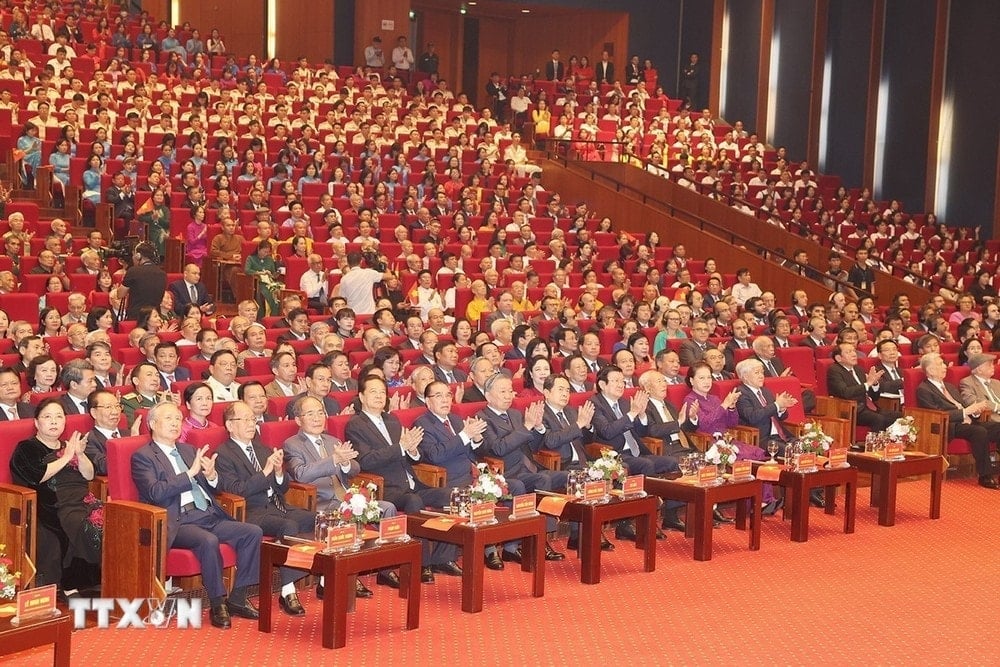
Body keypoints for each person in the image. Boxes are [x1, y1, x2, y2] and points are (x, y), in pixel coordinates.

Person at [132, 401, 263, 628]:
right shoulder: (143, 456)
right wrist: (189, 475)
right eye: (169, 419)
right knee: (208, 541)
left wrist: (211, 476)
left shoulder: (188, 450)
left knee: (252, 532)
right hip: (178, 520)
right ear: (152, 424)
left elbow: (212, 488)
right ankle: (217, 602)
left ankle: (238, 598)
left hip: (208, 513)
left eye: (178, 419)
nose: (175, 423)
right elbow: (155, 492)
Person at [345, 376, 463, 577]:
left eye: (382, 392)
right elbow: (366, 461)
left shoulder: (393, 420)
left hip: (412, 482)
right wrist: (401, 447)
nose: (379, 396)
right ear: (362, 396)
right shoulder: (356, 425)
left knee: (452, 495)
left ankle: (443, 557)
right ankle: (422, 563)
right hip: (386, 488)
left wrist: (412, 450)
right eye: (373, 392)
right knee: (413, 500)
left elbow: (411, 457)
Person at [215, 400, 315, 616]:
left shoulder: (262, 448)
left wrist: (279, 472)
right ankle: (288, 591)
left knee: (314, 519)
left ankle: (322, 578)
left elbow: (283, 486)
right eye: (245, 420)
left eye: (253, 419)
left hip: (276, 505)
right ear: (230, 425)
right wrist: (266, 470)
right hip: (250, 511)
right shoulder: (223, 454)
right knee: (288, 525)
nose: (252, 423)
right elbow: (236, 490)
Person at [10, 398, 103, 591]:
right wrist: (68, 456)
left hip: (83, 500)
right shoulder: (26, 448)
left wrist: (80, 454)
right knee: (84, 525)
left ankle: (99, 579)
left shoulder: (69, 445)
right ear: (36, 423)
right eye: (47, 417)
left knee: (112, 521)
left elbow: (90, 474)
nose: (54, 421)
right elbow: (38, 476)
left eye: (59, 417)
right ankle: (75, 584)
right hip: (48, 504)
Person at [589, 366, 685, 532]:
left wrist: (641, 416)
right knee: (645, 465)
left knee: (671, 463)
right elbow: (606, 432)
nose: (621, 384)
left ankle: (670, 515)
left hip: (636, 451)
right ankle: (633, 522)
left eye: (622, 381)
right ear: (602, 385)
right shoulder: (595, 404)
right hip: (614, 455)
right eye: (616, 381)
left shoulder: (625, 403)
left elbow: (640, 433)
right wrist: (632, 414)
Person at [681, 362, 780, 514]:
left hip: (726, 439)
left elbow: (731, 423)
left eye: (709, 377)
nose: (707, 381)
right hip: (709, 442)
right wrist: (724, 405)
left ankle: (764, 500)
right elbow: (705, 424)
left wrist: (732, 407)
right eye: (702, 378)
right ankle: (753, 503)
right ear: (692, 381)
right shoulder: (690, 400)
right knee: (744, 457)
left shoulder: (714, 398)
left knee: (758, 453)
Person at [916, 352, 1000, 489]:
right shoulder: (924, 389)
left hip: (967, 421)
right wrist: (964, 413)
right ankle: (985, 475)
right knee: (979, 431)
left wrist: (976, 412)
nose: (944, 366)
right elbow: (936, 414)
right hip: (950, 425)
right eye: (940, 364)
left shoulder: (949, 386)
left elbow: (966, 407)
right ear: (930, 370)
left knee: (997, 427)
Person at [826, 342, 901, 431]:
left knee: (899, 416)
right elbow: (845, 392)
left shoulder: (858, 369)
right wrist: (867, 384)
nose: (854, 354)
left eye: (854, 351)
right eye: (849, 352)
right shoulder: (834, 370)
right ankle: (873, 444)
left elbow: (874, 397)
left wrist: (875, 384)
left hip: (868, 407)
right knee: (878, 419)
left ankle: (889, 443)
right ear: (838, 358)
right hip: (850, 409)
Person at [120, 242, 167, 320]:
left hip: (137, 317)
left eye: (133, 254)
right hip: (154, 317)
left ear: (138, 256)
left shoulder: (133, 271)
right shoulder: (162, 273)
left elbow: (120, 294)